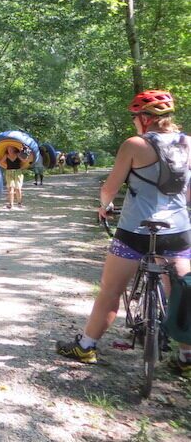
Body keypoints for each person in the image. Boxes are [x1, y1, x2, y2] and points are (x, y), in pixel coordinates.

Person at [56, 89, 191, 376]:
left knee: (111, 291)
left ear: (144, 118)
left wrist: (104, 207)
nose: (134, 123)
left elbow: (109, 188)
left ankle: (86, 346)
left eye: (135, 118)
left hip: (135, 230)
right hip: (178, 231)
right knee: (181, 293)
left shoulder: (134, 144)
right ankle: (186, 355)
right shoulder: (188, 143)